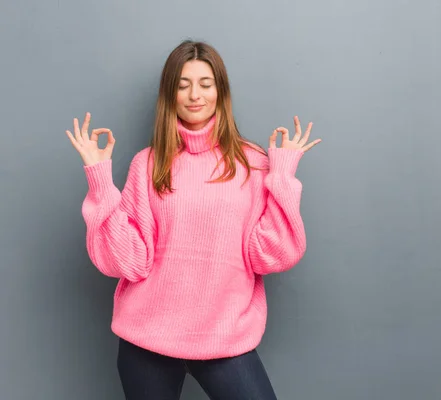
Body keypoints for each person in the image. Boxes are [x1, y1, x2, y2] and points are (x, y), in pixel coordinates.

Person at [64, 40, 321, 400]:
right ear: (170, 94)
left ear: (221, 91)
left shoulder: (253, 163)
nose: (194, 95)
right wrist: (100, 181)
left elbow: (273, 255)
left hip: (223, 337)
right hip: (148, 338)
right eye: (183, 85)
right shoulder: (147, 164)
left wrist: (281, 178)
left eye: (205, 83)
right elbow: (129, 261)